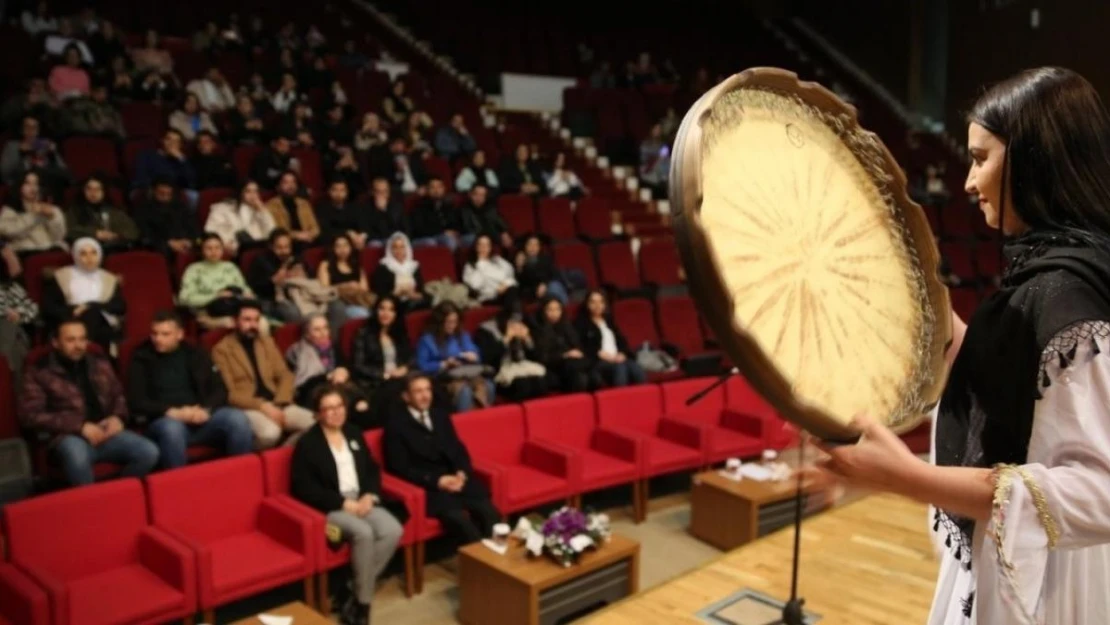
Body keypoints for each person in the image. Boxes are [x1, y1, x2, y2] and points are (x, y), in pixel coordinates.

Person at [804, 67, 1110, 624]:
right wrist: (908, 289)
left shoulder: (1065, 292)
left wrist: (904, 476)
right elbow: (1009, 374)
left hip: (1047, 582)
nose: (969, 182)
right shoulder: (1061, 272)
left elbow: (1099, 491)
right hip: (1030, 557)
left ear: (1035, 161)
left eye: (981, 158)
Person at [291, 385, 406, 625]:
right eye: (328, 408)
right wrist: (344, 503)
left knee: (392, 529)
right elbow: (304, 488)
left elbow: (372, 469)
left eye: (339, 406)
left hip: (361, 499)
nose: (336, 412)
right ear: (318, 414)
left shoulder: (354, 433)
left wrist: (369, 496)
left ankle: (350, 588)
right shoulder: (308, 444)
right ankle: (363, 605)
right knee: (363, 533)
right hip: (331, 507)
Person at [19, 319, 159, 486]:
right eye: (71, 340)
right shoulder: (39, 372)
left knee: (149, 452)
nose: (78, 345)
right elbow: (31, 416)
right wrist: (80, 426)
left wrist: (118, 418)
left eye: (82, 339)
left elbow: (118, 394)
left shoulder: (99, 363)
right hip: (69, 436)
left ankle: (117, 495)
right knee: (77, 456)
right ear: (56, 342)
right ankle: (90, 506)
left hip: (105, 430)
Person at [383, 374, 501, 545]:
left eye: (427, 390)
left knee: (489, 512)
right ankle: (482, 564)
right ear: (406, 397)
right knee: (462, 523)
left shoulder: (440, 416)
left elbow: (458, 449)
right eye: (418, 391)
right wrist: (437, 481)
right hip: (430, 488)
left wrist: (462, 473)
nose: (425, 396)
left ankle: (501, 558)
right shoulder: (396, 426)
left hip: (456, 480)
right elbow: (400, 468)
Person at [128, 310, 254, 468]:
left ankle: (242, 473)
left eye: (165, 334)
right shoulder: (141, 357)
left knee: (237, 419)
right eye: (154, 333)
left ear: (179, 334)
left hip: (199, 416)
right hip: (166, 418)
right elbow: (136, 400)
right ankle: (178, 484)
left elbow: (220, 389)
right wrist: (172, 412)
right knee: (172, 430)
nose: (158, 339)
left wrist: (205, 410)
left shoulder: (194, 352)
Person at [210, 300, 315, 448]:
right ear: (235, 321)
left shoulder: (266, 342)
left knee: (315, 425)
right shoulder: (221, 350)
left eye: (256, 320)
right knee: (270, 434)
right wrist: (263, 406)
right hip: (248, 407)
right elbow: (229, 393)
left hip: (278, 401)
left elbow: (285, 374)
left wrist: (280, 401)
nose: (252, 325)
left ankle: (283, 456)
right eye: (247, 320)